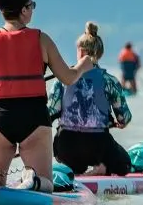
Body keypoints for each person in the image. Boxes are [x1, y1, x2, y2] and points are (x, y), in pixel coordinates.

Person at [0, 0, 92, 191]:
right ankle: (34, 180)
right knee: (46, 185)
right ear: (24, 10)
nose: (32, 9)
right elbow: (68, 78)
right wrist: (84, 65)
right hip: (33, 118)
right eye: (31, 5)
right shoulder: (42, 39)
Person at [48, 22, 133, 176]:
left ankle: (76, 170)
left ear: (80, 51)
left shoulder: (61, 80)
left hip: (65, 147)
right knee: (126, 164)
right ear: (99, 54)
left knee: (73, 159)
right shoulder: (109, 81)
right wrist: (118, 122)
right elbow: (124, 118)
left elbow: (50, 113)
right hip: (97, 146)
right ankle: (102, 167)